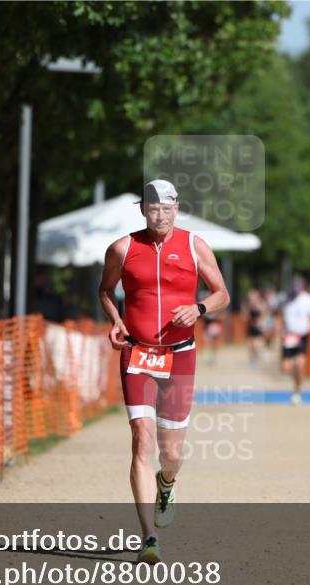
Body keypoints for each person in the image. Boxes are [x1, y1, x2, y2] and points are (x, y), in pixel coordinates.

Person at [98, 179, 230, 564]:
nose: (160, 215)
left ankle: (166, 482)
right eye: (153, 208)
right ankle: (149, 537)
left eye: (167, 208)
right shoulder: (122, 248)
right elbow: (105, 290)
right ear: (143, 209)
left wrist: (199, 309)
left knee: (171, 453)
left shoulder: (194, 245)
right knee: (142, 439)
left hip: (180, 355)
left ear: (177, 208)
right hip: (137, 352)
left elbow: (222, 293)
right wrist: (116, 320)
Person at [281, 276, 310, 404]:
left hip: (302, 336)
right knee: (286, 367)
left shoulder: (309, 300)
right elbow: (280, 316)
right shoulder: (286, 298)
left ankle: (297, 391)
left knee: (300, 364)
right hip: (288, 336)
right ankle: (295, 379)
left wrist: (308, 329)